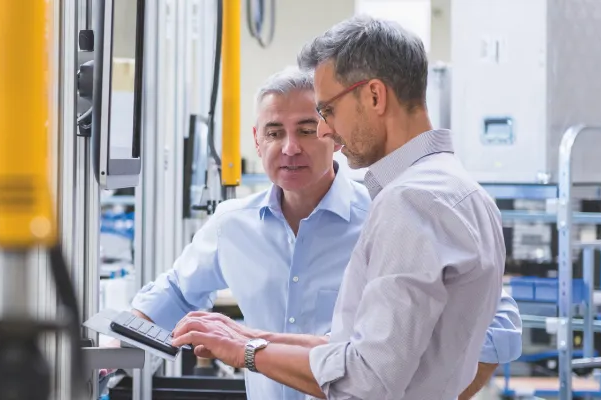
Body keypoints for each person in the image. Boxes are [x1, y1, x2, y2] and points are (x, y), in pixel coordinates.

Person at [169, 16, 513, 399]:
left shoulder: (410, 202)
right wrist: (259, 338)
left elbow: (365, 380)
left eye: (327, 111)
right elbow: (365, 350)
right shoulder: (459, 189)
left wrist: (244, 352)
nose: (325, 131)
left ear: (375, 96)